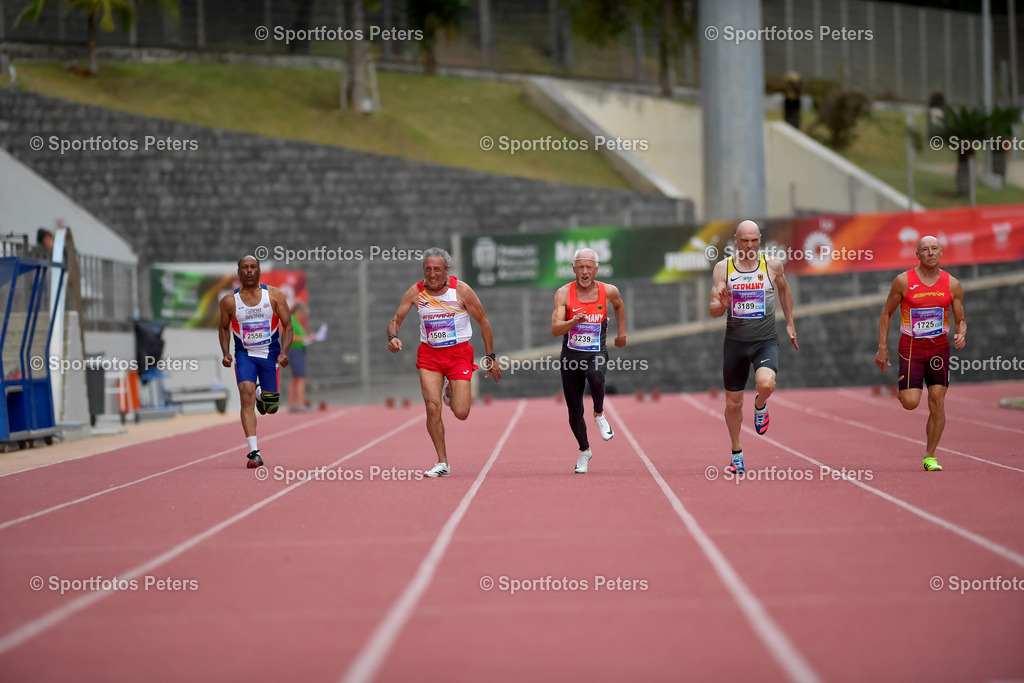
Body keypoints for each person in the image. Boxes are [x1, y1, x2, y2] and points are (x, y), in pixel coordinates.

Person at [387, 248, 501, 477]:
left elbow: (484, 322)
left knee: (461, 412)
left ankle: (450, 389)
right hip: (429, 355)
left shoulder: (462, 291)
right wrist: (393, 337)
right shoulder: (415, 292)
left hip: (459, 354)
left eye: (437, 269)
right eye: (427, 269)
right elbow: (395, 320)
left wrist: (490, 357)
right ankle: (442, 462)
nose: (432, 274)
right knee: (431, 407)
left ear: (447, 270)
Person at [709, 220, 798, 474]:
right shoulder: (722, 269)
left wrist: (790, 322)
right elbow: (713, 310)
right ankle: (736, 452)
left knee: (766, 383)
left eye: (754, 240)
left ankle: (760, 404)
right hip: (735, 344)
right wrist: (723, 305)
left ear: (760, 240)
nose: (749, 245)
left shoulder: (772, 265)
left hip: (764, 341)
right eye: (744, 240)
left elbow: (784, 289)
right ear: (735, 240)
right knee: (733, 405)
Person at [875, 236, 966, 471]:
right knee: (910, 403)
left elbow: (961, 320)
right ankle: (903, 391)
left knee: (937, 401)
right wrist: (882, 347)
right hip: (911, 348)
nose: (930, 253)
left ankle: (930, 455)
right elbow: (886, 313)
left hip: (939, 349)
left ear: (941, 252)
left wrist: (961, 334)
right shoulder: (903, 281)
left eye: (934, 249)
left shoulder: (952, 284)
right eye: (924, 250)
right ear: (917, 255)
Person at [550, 248, 627, 474]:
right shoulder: (563, 294)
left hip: (596, 352)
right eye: (580, 267)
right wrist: (572, 322)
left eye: (589, 267)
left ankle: (599, 413)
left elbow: (620, 306)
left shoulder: (608, 291)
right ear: (573, 268)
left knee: (595, 375)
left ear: (596, 269)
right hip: (571, 357)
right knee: (574, 412)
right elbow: (555, 329)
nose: (584, 272)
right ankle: (585, 451)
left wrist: (622, 333)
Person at [219, 255, 293, 469]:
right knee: (245, 395)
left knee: (271, 408)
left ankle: (262, 394)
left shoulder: (274, 296)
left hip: (270, 354)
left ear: (259, 271)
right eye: (245, 268)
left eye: (253, 267)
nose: (249, 271)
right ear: (239, 272)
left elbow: (288, 327)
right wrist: (226, 352)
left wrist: (285, 353)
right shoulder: (229, 301)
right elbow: (223, 328)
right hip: (245, 354)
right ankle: (254, 452)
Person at [288, 300, 310, 412]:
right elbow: (290, 336)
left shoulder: (296, 321)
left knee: (296, 378)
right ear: (298, 312)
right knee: (300, 377)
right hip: (295, 350)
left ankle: (293, 404)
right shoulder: (291, 320)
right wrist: (305, 339)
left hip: (298, 350)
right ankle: (299, 403)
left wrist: (309, 338)